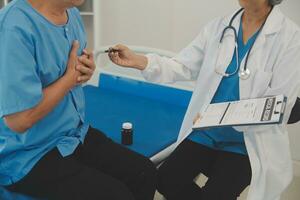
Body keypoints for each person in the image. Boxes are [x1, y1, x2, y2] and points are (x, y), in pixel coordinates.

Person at [109, 0, 300, 199]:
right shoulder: (219, 27)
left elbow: (280, 105)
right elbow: (182, 65)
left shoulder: (290, 37)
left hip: (247, 143)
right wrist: (138, 60)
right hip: (205, 133)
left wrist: (218, 116)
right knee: (166, 180)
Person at [0, 0, 157, 200]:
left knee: (144, 173)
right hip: (28, 155)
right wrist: (69, 79)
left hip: (72, 135)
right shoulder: (13, 29)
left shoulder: (71, 14)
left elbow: (72, 70)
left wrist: (85, 71)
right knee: (117, 195)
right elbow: (19, 120)